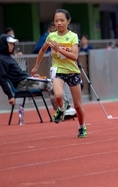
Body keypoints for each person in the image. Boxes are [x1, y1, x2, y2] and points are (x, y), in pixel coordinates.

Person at [31, 9, 87, 138]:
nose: (59, 23)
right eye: (56, 21)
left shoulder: (73, 36)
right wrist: (36, 67)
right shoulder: (51, 36)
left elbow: (74, 56)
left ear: (68, 21)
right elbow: (42, 50)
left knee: (78, 106)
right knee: (58, 95)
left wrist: (58, 49)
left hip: (72, 72)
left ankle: (82, 126)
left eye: (62, 20)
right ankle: (61, 109)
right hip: (58, 70)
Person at [0, 34, 52, 106]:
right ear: (3, 44)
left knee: (54, 83)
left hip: (26, 82)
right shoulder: (0, 61)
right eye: (10, 44)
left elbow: (19, 74)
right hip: (21, 85)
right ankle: (61, 109)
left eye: (13, 44)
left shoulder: (9, 58)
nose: (13, 46)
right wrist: (10, 96)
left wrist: (32, 78)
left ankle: (61, 109)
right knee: (50, 85)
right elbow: (2, 80)